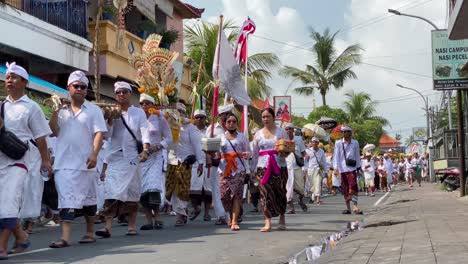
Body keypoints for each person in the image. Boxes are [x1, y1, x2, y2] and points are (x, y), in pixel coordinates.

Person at [48, 71, 107, 248]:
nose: (80, 89)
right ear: (69, 88)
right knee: (66, 199)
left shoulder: (94, 110)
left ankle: (89, 232)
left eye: (83, 87)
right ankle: (65, 238)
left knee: (89, 201)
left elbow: (99, 133)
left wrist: (95, 154)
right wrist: (55, 112)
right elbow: (53, 131)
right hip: (64, 164)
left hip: (86, 163)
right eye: (76, 86)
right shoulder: (61, 110)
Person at [0, 63, 52, 259]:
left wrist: (46, 161)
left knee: (8, 204)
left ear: (24, 82)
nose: (9, 80)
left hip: (21, 161)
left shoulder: (32, 107)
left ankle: (1, 246)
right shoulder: (1, 105)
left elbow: (40, 137)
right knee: (2, 203)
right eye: (7, 77)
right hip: (1, 160)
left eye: (14, 77)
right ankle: (21, 237)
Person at [96, 81, 151, 238]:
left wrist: (146, 150)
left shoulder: (138, 113)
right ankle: (107, 227)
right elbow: (106, 135)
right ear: (115, 95)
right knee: (111, 192)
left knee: (132, 192)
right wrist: (110, 120)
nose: (121, 94)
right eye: (118, 92)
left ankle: (132, 225)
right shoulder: (111, 111)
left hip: (133, 157)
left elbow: (144, 131)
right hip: (114, 157)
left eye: (124, 92)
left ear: (130, 94)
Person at [166, 103, 203, 226]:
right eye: (175, 111)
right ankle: (184, 210)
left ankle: (181, 214)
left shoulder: (190, 127)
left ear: (183, 113)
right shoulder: (168, 125)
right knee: (171, 188)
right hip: (171, 160)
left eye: (180, 112)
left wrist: (201, 162)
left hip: (185, 160)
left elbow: (197, 145)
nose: (177, 114)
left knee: (182, 188)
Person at [251, 108, 289, 232]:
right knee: (264, 193)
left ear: (273, 117)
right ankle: (267, 221)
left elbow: (289, 148)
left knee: (281, 192)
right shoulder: (258, 134)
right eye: (263, 117)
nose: (266, 119)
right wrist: (253, 170)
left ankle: (282, 217)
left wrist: (285, 154)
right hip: (263, 167)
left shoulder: (281, 132)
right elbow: (255, 154)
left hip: (279, 166)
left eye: (268, 116)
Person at [138, 94, 172, 230]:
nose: (144, 106)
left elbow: (169, 138)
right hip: (141, 157)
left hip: (156, 156)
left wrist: (158, 146)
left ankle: (157, 215)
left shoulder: (159, 118)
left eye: (147, 103)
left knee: (153, 186)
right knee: (143, 188)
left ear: (152, 105)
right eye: (142, 103)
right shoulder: (137, 118)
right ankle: (148, 219)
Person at [218, 113, 250, 231]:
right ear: (225, 124)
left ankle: (234, 220)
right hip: (224, 170)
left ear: (237, 123)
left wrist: (247, 155)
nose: (231, 123)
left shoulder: (242, 137)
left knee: (236, 195)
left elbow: (248, 151)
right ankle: (229, 214)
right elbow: (216, 152)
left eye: (234, 121)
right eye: (229, 122)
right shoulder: (221, 137)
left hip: (238, 170)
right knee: (223, 196)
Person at [205, 104, 233, 225]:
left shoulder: (232, 128)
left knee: (230, 189)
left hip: (231, 163)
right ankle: (222, 215)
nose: (227, 117)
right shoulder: (212, 128)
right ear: (220, 115)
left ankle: (233, 213)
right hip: (216, 162)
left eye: (229, 114)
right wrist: (209, 157)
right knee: (217, 189)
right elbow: (205, 146)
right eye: (225, 115)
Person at [332, 126, 363, 215]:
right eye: (343, 132)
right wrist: (335, 168)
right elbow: (336, 156)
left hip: (352, 168)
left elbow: (357, 155)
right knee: (345, 189)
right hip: (342, 169)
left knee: (353, 186)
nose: (344, 133)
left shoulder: (355, 143)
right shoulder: (338, 143)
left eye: (346, 132)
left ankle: (355, 206)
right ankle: (348, 208)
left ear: (350, 133)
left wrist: (359, 167)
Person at [189, 109, 212, 222]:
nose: (199, 119)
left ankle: (207, 213)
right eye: (197, 117)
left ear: (205, 118)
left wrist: (210, 156)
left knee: (207, 190)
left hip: (208, 163)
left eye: (201, 117)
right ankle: (196, 208)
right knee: (193, 189)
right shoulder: (190, 130)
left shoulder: (209, 131)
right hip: (194, 163)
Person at [284, 123, 307, 214]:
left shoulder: (298, 139)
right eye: (286, 129)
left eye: (290, 129)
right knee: (288, 188)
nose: (288, 131)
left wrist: (305, 166)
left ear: (293, 130)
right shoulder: (282, 140)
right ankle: (291, 207)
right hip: (287, 168)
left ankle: (300, 200)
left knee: (301, 189)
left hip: (297, 167)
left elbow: (303, 153)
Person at [305, 137, 327, 205]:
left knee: (317, 183)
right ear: (311, 143)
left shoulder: (321, 151)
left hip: (318, 169)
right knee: (311, 185)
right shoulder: (308, 151)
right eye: (313, 142)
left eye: (315, 142)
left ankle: (318, 198)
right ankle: (313, 197)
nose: (314, 143)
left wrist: (326, 171)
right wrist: (304, 170)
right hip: (310, 170)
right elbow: (305, 161)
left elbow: (324, 162)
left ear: (318, 143)